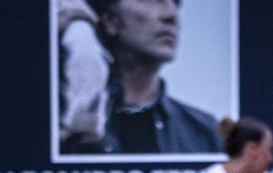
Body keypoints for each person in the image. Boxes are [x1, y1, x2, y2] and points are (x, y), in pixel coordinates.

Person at [56, 0, 222, 156]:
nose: (171, 15)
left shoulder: (204, 133)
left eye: (176, 3)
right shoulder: (62, 122)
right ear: (110, 20)